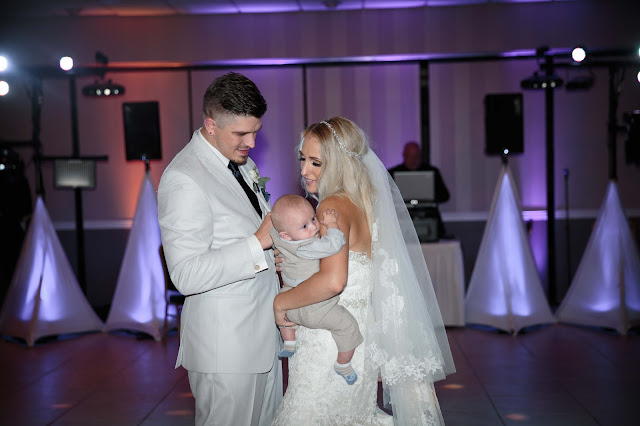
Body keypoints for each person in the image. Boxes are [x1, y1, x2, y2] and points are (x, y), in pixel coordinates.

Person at [272, 117, 455, 425]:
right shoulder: (362, 202)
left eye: (316, 162)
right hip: (359, 337)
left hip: (328, 341)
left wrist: (282, 302)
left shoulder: (331, 207)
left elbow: (333, 280)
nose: (304, 171)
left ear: (339, 163)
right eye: (303, 159)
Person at [157, 72, 282, 426]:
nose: (252, 143)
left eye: (255, 131)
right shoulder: (183, 178)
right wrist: (258, 243)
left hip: (262, 340)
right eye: (242, 134)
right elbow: (185, 274)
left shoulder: (243, 164)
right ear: (211, 125)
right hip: (226, 352)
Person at [270, 194, 363, 385]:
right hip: (315, 307)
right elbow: (334, 244)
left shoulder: (278, 237)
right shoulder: (308, 246)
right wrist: (332, 225)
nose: (313, 227)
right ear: (286, 235)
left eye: (313, 219)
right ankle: (343, 365)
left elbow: (271, 228)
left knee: (283, 297)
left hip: (291, 306)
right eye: (305, 226)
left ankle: (289, 341)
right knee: (347, 326)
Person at [388, 141, 450, 238]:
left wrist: (428, 198)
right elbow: (386, 197)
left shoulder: (432, 171)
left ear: (420, 156)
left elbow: (445, 196)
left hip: (429, 219)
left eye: (416, 156)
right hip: (402, 220)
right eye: (410, 156)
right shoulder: (392, 173)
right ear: (404, 156)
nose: (414, 160)